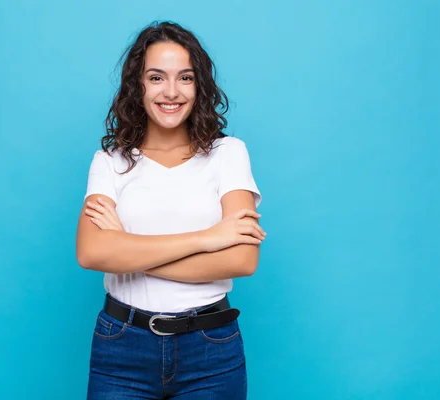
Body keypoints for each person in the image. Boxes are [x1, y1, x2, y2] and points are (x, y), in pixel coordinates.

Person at [76, 20, 265, 399]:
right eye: (157, 78)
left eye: (186, 78)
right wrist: (207, 238)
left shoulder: (228, 154)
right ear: (138, 86)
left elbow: (243, 259)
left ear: (199, 86)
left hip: (209, 349)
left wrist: (126, 250)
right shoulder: (109, 162)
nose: (172, 92)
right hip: (121, 346)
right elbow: (92, 252)